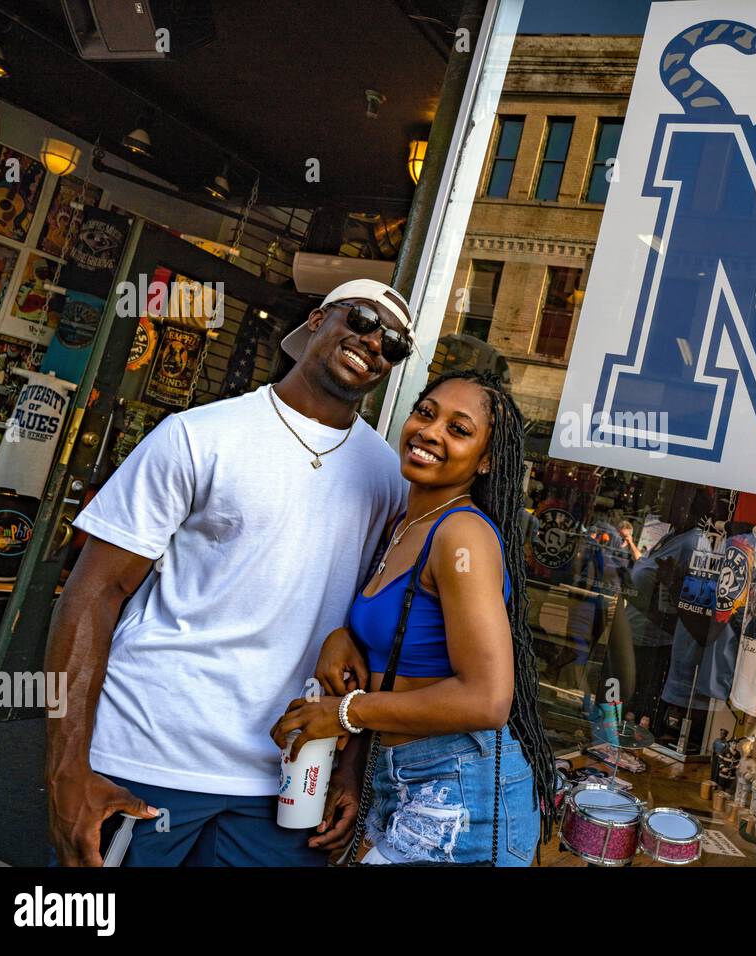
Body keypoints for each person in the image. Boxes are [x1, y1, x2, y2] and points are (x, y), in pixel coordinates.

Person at [45, 278, 413, 866]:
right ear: (318, 319)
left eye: (394, 343)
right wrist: (66, 767)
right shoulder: (198, 435)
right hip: (148, 755)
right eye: (362, 319)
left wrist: (349, 766)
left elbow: (370, 633)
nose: (374, 342)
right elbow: (94, 593)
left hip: (289, 776)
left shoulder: (389, 480)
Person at [272, 369, 555, 866]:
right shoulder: (409, 523)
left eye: (459, 429)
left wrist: (344, 714)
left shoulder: (460, 535)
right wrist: (343, 637)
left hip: (459, 793)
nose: (430, 431)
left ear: (487, 460)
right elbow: (401, 647)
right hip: (401, 773)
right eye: (426, 413)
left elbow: (487, 699)